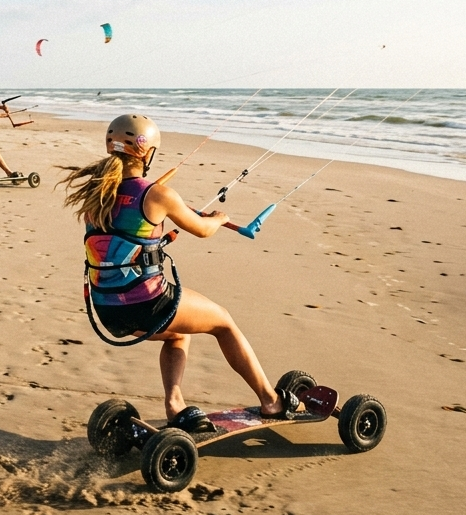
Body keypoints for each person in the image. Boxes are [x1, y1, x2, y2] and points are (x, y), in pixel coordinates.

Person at [59, 114, 292, 432]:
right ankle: (271, 401)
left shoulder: (95, 194)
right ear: (147, 153)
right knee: (223, 322)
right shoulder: (156, 195)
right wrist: (220, 218)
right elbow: (203, 230)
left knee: (179, 333)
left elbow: (127, 220)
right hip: (147, 303)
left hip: (107, 310)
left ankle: (176, 404)